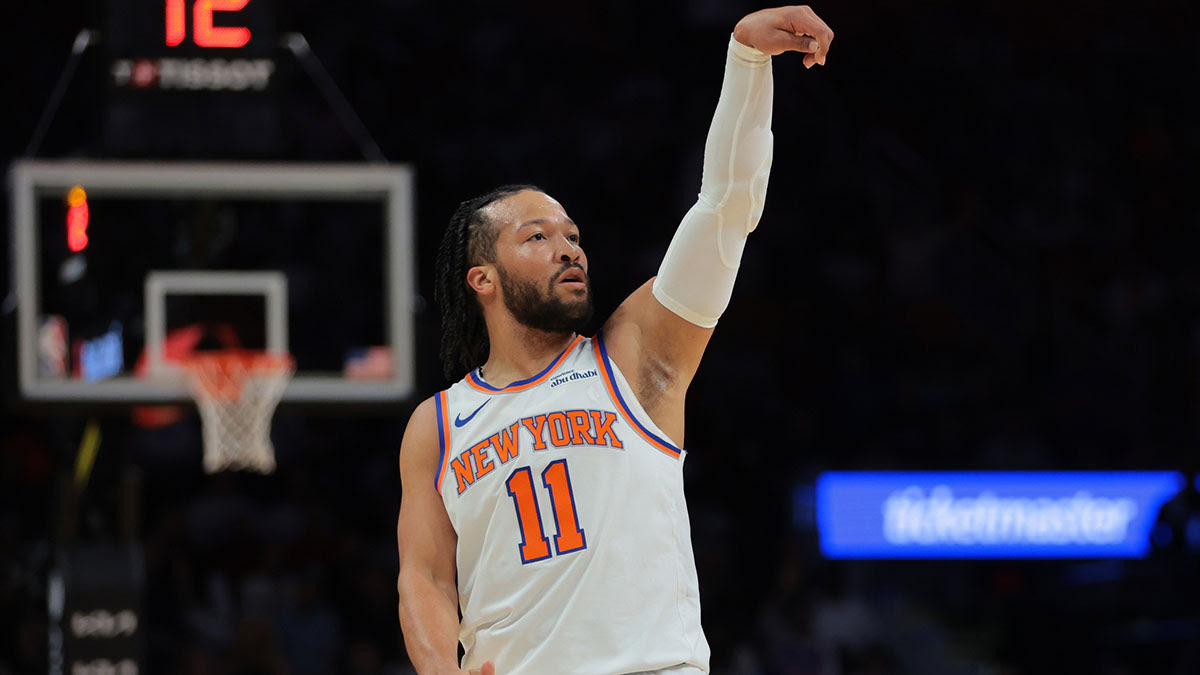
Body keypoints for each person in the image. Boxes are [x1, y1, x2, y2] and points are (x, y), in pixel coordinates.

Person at [396, 6, 834, 674]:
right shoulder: (439, 424)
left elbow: (726, 205)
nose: (569, 249)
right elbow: (424, 580)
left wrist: (747, 60)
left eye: (572, 235)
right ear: (480, 277)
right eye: (537, 236)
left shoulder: (635, 355)